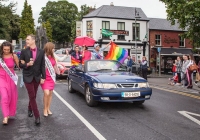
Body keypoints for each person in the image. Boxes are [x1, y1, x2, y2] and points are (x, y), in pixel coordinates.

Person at [19, 34, 46, 125]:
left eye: (28, 39)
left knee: (33, 95)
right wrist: (27, 64)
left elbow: (42, 65)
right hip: (27, 76)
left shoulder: (41, 52)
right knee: (32, 96)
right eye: (26, 39)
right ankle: (37, 116)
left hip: (37, 77)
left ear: (33, 40)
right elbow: (20, 65)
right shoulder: (24, 51)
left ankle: (29, 108)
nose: (26, 41)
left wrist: (43, 77)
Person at [0, 41, 19, 125]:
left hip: (11, 77)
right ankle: (5, 116)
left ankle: (9, 113)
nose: (6, 51)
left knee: (11, 96)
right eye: (5, 49)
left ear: (10, 49)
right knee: (4, 96)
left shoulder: (13, 56)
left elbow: (20, 66)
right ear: (2, 49)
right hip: (1, 77)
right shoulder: (0, 57)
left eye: (8, 49)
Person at [41, 42, 60, 117]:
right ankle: (45, 109)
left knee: (51, 94)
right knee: (46, 93)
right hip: (45, 78)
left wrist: (59, 72)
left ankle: (48, 108)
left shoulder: (53, 57)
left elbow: (55, 66)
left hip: (51, 77)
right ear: (49, 48)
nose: (54, 49)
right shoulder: (43, 57)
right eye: (53, 48)